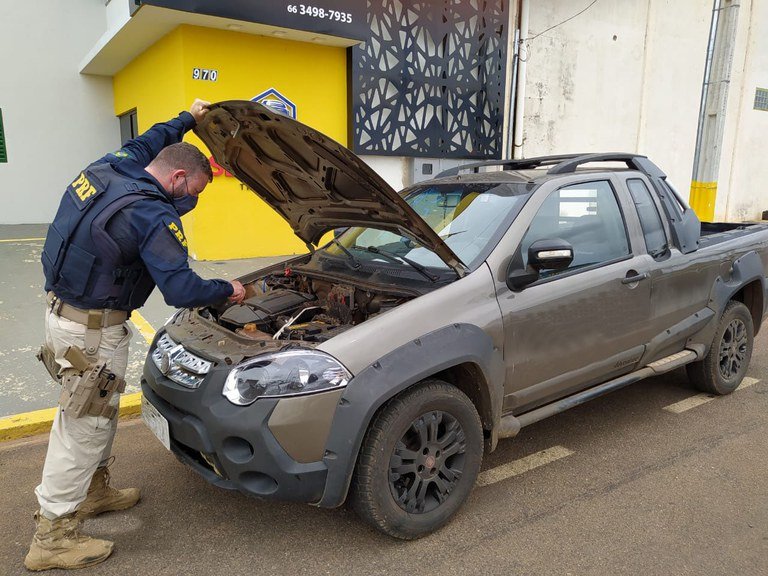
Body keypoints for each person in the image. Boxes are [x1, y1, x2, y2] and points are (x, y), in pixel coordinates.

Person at [26, 99, 246, 571]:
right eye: (198, 192)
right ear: (179, 180)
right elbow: (181, 288)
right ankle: (53, 536)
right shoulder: (151, 213)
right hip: (92, 333)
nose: (193, 202)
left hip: (64, 319)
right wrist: (230, 287)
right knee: (81, 427)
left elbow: (151, 137)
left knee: (95, 416)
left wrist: (189, 118)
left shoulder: (112, 167)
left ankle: (94, 492)